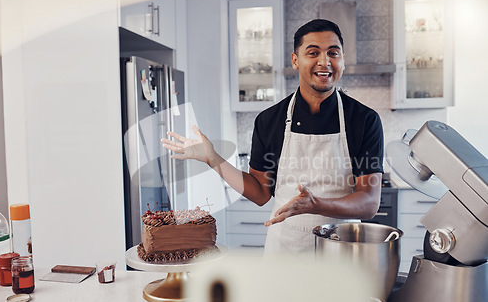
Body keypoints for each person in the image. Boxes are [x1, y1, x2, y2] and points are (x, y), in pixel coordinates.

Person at [162, 19, 383, 254]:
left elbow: (369, 204)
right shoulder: (271, 120)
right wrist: (213, 159)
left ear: (343, 60)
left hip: (343, 252)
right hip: (287, 251)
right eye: (313, 52)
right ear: (295, 60)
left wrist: (316, 204)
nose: (324, 61)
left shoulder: (364, 120)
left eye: (333, 53)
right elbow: (259, 193)